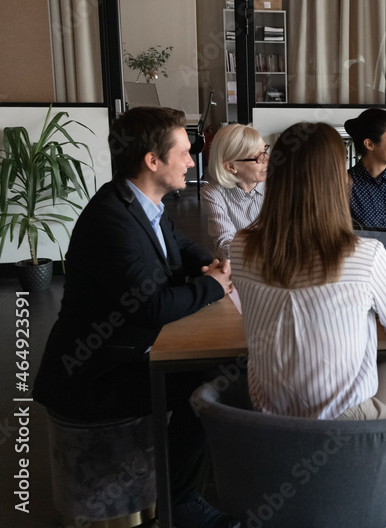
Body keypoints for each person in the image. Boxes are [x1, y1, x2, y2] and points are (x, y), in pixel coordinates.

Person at [33, 107, 236, 528]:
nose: (192, 162)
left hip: (126, 351)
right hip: (94, 374)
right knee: (213, 380)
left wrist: (207, 265)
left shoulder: (143, 203)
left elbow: (181, 246)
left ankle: (180, 488)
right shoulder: (111, 220)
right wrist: (214, 285)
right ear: (152, 161)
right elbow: (152, 307)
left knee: (219, 370)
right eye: (184, 152)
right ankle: (179, 501)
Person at [231, 122, 386, 420]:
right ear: (338, 180)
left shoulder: (240, 246)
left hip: (269, 423)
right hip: (345, 426)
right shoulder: (365, 254)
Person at [202, 123, 268, 258]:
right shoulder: (212, 193)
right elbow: (225, 246)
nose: (267, 159)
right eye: (258, 156)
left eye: (265, 151)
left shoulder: (278, 184)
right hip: (243, 270)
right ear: (231, 167)